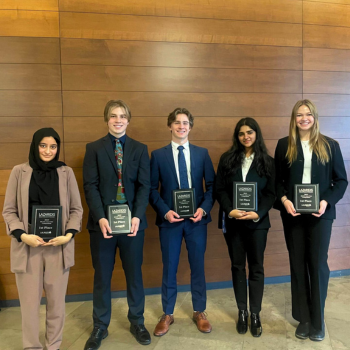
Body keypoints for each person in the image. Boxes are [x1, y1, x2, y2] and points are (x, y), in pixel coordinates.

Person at [2, 128, 83, 350]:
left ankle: (53, 346)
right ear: (35, 145)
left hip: (58, 247)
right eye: (43, 145)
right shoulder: (20, 172)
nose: (48, 150)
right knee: (29, 306)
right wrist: (23, 235)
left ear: (58, 148)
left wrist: (68, 234)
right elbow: (9, 211)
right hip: (27, 247)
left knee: (57, 305)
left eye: (53, 146)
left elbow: (76, 209)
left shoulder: (65, 173)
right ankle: (32, 347)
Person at [274, 99, 347, 341]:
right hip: (293, 215)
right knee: (297, 264)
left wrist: (326, 201)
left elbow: (341, 181)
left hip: (320, 215)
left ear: (314, 117)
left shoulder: (330, 145)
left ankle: (318, 320)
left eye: (308, 114)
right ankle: (303, 319)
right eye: (299, 114)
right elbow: (277, 181)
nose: (304, 118)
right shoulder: (284, 145)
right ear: (293, 118)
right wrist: (284, 200)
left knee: (317, 264)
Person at [83, 100, 151, 349]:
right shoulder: (93, 149)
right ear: (106, 119)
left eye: (123, 116)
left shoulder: (140, 149)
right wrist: (101, 217)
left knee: (134, 275)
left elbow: (145, 186)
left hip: (133, 225)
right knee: (102, 276)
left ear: (128, 120)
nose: (118, 120)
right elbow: (89, 186)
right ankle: (100, 326)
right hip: (102, 225)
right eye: (113, 116)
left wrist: (137, 216)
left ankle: (137, 322)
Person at [149, 107, 215, 336]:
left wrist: (203, 210)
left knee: (198, 266)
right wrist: (165, 211)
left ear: (190, 126)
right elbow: (151, 189)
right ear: (170, 126)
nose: (181, 126)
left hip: (196, 222)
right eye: (177, 122)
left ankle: (199, 311)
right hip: (170, 222)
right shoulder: (158, 155)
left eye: (185, 122)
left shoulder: (202, 153)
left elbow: (212, 187)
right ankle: (167, 313)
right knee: (169, 268)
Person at [216, 118, 275, 337]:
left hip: (258, 224)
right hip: (233, 223)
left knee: (257, 267)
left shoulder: (268, 162)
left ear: (257, 134)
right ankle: (242, 311)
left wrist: (258, 212)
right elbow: (220, 189)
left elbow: (271, 193)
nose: (246, 136)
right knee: (237, 266)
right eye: (241, 133)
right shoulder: (227, 159)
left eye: (250, 132)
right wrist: (230, 209)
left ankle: (256, 313)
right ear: (237, 136)